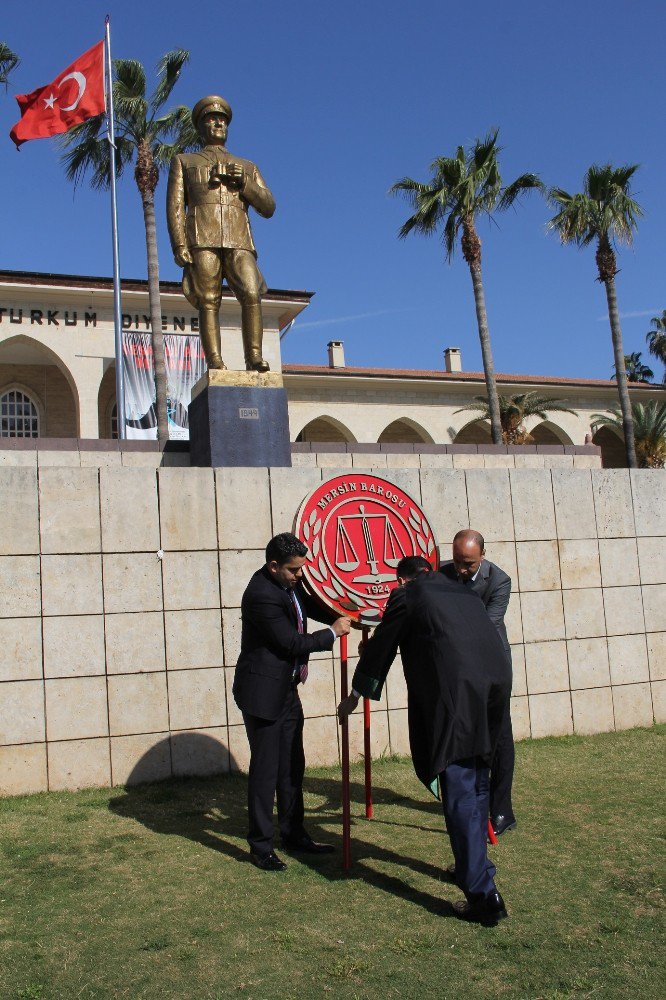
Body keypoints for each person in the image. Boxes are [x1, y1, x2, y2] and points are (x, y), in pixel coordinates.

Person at [338, 556, 511, 924]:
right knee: (479, 781)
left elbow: (384, 644)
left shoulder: (408, 595)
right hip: (495, 687)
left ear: (401, 580)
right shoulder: (460, 591)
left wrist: (358, 692)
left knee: (461, 787)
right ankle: (477, 867)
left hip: (459, 698)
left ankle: (483, 895)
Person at [234, 532, 351, 871]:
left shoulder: (288, 584)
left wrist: (340, 609)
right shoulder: (261, 595)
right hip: (262, 695)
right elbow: (290, 643)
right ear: (274, 566)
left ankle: (294, 832)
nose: (301, 576)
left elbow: (309, 604)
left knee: (292, 766)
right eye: (294, 571)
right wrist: (332, 633)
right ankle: (261, 845)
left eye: (302, 569)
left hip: (286, 691)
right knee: (266, 771)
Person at [166, 95, 276, 373]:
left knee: (252, 293)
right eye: (211, 119)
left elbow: (269, 206)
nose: (218, 123)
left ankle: (254, 357)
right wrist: (180, 244)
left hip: (239, 239)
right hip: (202, 237)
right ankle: (214, 360)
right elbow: (176, 205)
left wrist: (246, 184)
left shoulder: (247, 166)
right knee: (208, 299)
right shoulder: (184, 161)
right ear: (200, 126)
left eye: (222, 119)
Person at [440, 529, 516, 838]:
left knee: (498, 737)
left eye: (468, 564)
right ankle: (467, 798)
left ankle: (501, 809)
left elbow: (484, 625)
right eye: (457, 561)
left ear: (482, 556)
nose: (460, 569)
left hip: (490, 668)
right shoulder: (441, 573)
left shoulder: (499, 581)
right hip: (456, 669)